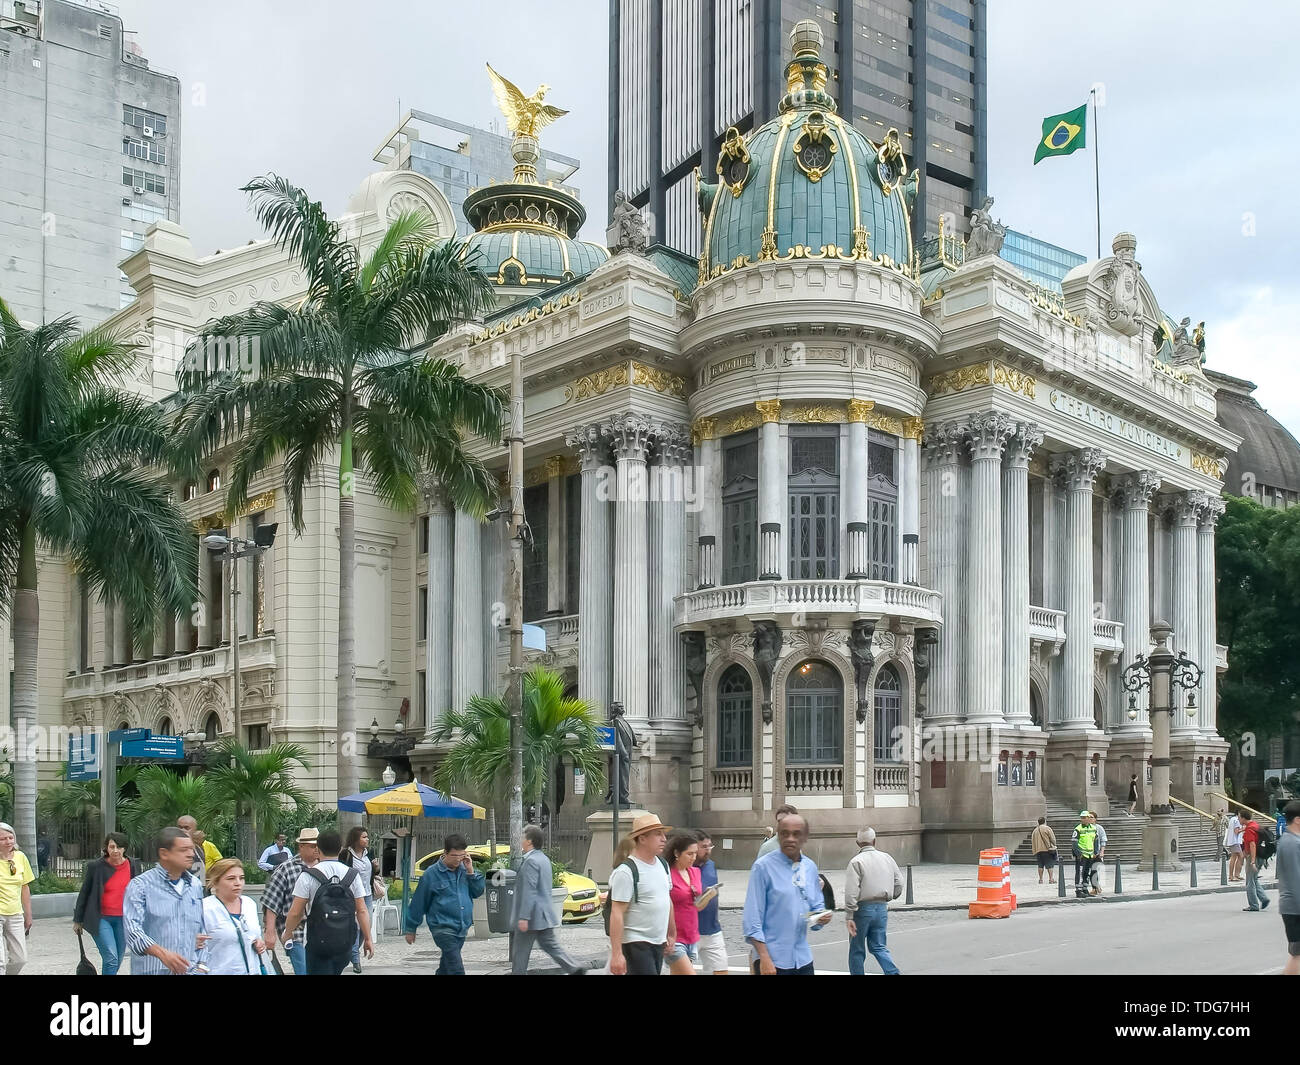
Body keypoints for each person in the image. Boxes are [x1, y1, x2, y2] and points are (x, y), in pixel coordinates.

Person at [744, 813, 832, 975]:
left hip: (802, 960)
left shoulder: (809, 867)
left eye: (796, 833)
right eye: (785, 833)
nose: (790, 838)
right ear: (778, 835)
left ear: (805, 837)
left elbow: (813, 909)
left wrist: (821, 917)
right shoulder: (763, 868)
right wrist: (764, 957)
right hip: (773, 961)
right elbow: (752, 919)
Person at [282, 828, 373, 975]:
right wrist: (368, 938)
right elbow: (362, 910)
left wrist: (288, 932)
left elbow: (296, 912)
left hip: (317, 944)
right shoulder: (352, 875)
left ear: (318, 849)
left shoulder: (308, 876)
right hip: (344, 944)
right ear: (341, 849)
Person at [123, 827, 206, 974]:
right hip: (152, 970)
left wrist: (202, 966)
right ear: (164, 853)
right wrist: (162, 953)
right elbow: (132, 932)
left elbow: (201, 930)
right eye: (184, 850)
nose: (191, 854)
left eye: (191, 849)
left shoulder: (195, 885)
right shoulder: (141, 886)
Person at [403, 832, 484, 975]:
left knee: (447, 968)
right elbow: (418, 902)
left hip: (462, 927)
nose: (459, 859)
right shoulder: (431, 874)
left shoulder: (465, 869)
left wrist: (471, 871)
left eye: (462, 855)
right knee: (456, 968)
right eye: (455, 855)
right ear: (445, 853)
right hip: (443, 927)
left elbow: (477, 892)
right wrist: (411, 928)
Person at [509, 824, 584, 975]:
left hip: (531, 916)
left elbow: (529, 891)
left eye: (523, 836)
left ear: (529, 841)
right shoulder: (543, 859)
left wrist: (523, 916)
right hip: (544, 914)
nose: (521, 840)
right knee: (550, 945)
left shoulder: (530, 861)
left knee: (520, 953)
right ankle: (574, 968)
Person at [607, 812, 675, 976]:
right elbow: (617, 912)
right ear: (642, 838)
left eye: (663, 834)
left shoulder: (663, 864)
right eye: (658, 834)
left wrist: (671, 933)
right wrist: (617, 954)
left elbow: (667, 899)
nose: (664, 839)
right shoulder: (626, 871)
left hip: (657, 942)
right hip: (636, 943)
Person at [73, 832, 143, 975]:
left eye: (119, 847)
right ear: (107, 848)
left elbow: (140, 892)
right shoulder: (96, 866)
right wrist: (78, 920)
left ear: (125, 848)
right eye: (112, 847)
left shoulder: (133, 865)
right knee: (111, 958)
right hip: (101, 918)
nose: (115, 850)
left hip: (124, 919)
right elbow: (84, 892)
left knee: (117, 959)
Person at [843, 826, 903, 976]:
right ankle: (892, 972)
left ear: (857, 842)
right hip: (882, 907)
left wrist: (849, 915)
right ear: (874, 841)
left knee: (857, 949)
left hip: (863, 908)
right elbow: (899, 881)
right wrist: (893, 894)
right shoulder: (887, 858)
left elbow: (851, 891)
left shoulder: (856, 862)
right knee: (879, 946)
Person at [261, 827, 321, 975]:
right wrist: (270, 932)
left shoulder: (324, 867)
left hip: (321, 931)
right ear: (301, 846)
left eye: (318, 845)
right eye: (313, 846)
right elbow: (271, 902)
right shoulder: (286, 869)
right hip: (295, 932)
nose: (316, 849)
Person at [200, 858, 267, 975]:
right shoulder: (205, 908)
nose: (238, 883)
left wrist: (259, 943)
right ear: (215, 882)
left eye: (241, 878)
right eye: (231, 879)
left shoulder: (249, 904)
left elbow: (254, 935)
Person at [665, 832, 703, 975]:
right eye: (689, 854)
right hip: (674, 936)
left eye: (695, 853)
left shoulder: (695, 872)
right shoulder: (668, 874)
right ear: (676, 853)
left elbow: (696, 903)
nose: (693, 857)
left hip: (691, 934)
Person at [0, 822, 35, 974]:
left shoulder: (20, 857)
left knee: (20, 958)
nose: (8, 841)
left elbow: (25, 887)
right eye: (2, 839)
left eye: (10, 837)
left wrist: (28, 915)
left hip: (15, 914)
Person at [693, 831, 728, 975]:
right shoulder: (685, 867)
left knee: (721, 968)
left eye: (710, 846)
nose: (708, 850)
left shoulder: (711, 865)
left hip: (713, 929)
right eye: (703, 847)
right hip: (691, 931)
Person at [339, 827, 373, 974]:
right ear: (356, 839)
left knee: (366, 927)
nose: (367, 839)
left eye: (367, 837)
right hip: (352, 896)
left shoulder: (368, 854)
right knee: (356, 927)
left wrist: (375, 868)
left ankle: (352, 952)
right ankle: (355, 959)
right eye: (364, 837)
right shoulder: (347, 855)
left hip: (367, 893)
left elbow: (369, 874)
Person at [1276, 800, 1300, 975]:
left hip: (1292, 905)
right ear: (1298, 820)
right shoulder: (1292, 843)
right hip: (1295, 907)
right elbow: (1295, 879)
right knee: (1298, 955)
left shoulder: (1289, 840)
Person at [1242, 816, 1271, 912]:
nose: (1238, 820)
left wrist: (1252, 861)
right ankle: (1264, 898)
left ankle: (1253, 905)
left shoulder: (1249, 830)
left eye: (1239, 818)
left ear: (1243, 818)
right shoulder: (1256, 826)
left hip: (1253, 857)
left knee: (1249, 881)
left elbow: (1252, 845)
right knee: (1254, 879)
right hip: (1261, 856)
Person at [1071, 811, 1103, 898]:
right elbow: (1074, 843)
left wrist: (1096, 852)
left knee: (1087, 872)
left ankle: (1085, 889)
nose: (1084, 819)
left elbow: (1096, 840)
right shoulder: (1078, 829)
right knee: (1080, 872)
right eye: (1083, 818)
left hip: (1090, 854)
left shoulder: (1093, 828)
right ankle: (1078, 890)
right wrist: (1078, 853)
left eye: (1086, 817)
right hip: (1082, 855)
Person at [1031, 816, 1058, 885]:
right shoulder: (1047, 828)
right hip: (1047, 849)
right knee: (1049, 865)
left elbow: (1033, 841)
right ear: (1044, 821)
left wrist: (1034, 850)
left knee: (1040, 865)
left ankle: (1040, 879)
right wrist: (1054, 844)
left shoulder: (1035, 830)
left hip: (1038, 850)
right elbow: (1053, 838)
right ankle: (1051, 879)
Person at [1225, 810, 1245, 881]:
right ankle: (1232, 875)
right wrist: (1243, 829)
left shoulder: (1232, 819)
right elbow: (1236, 832)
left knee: (1236, 856)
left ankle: (1236, 875)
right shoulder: (1236, 820)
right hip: (1235, 841)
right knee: (1238, 856)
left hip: (1233, 841)